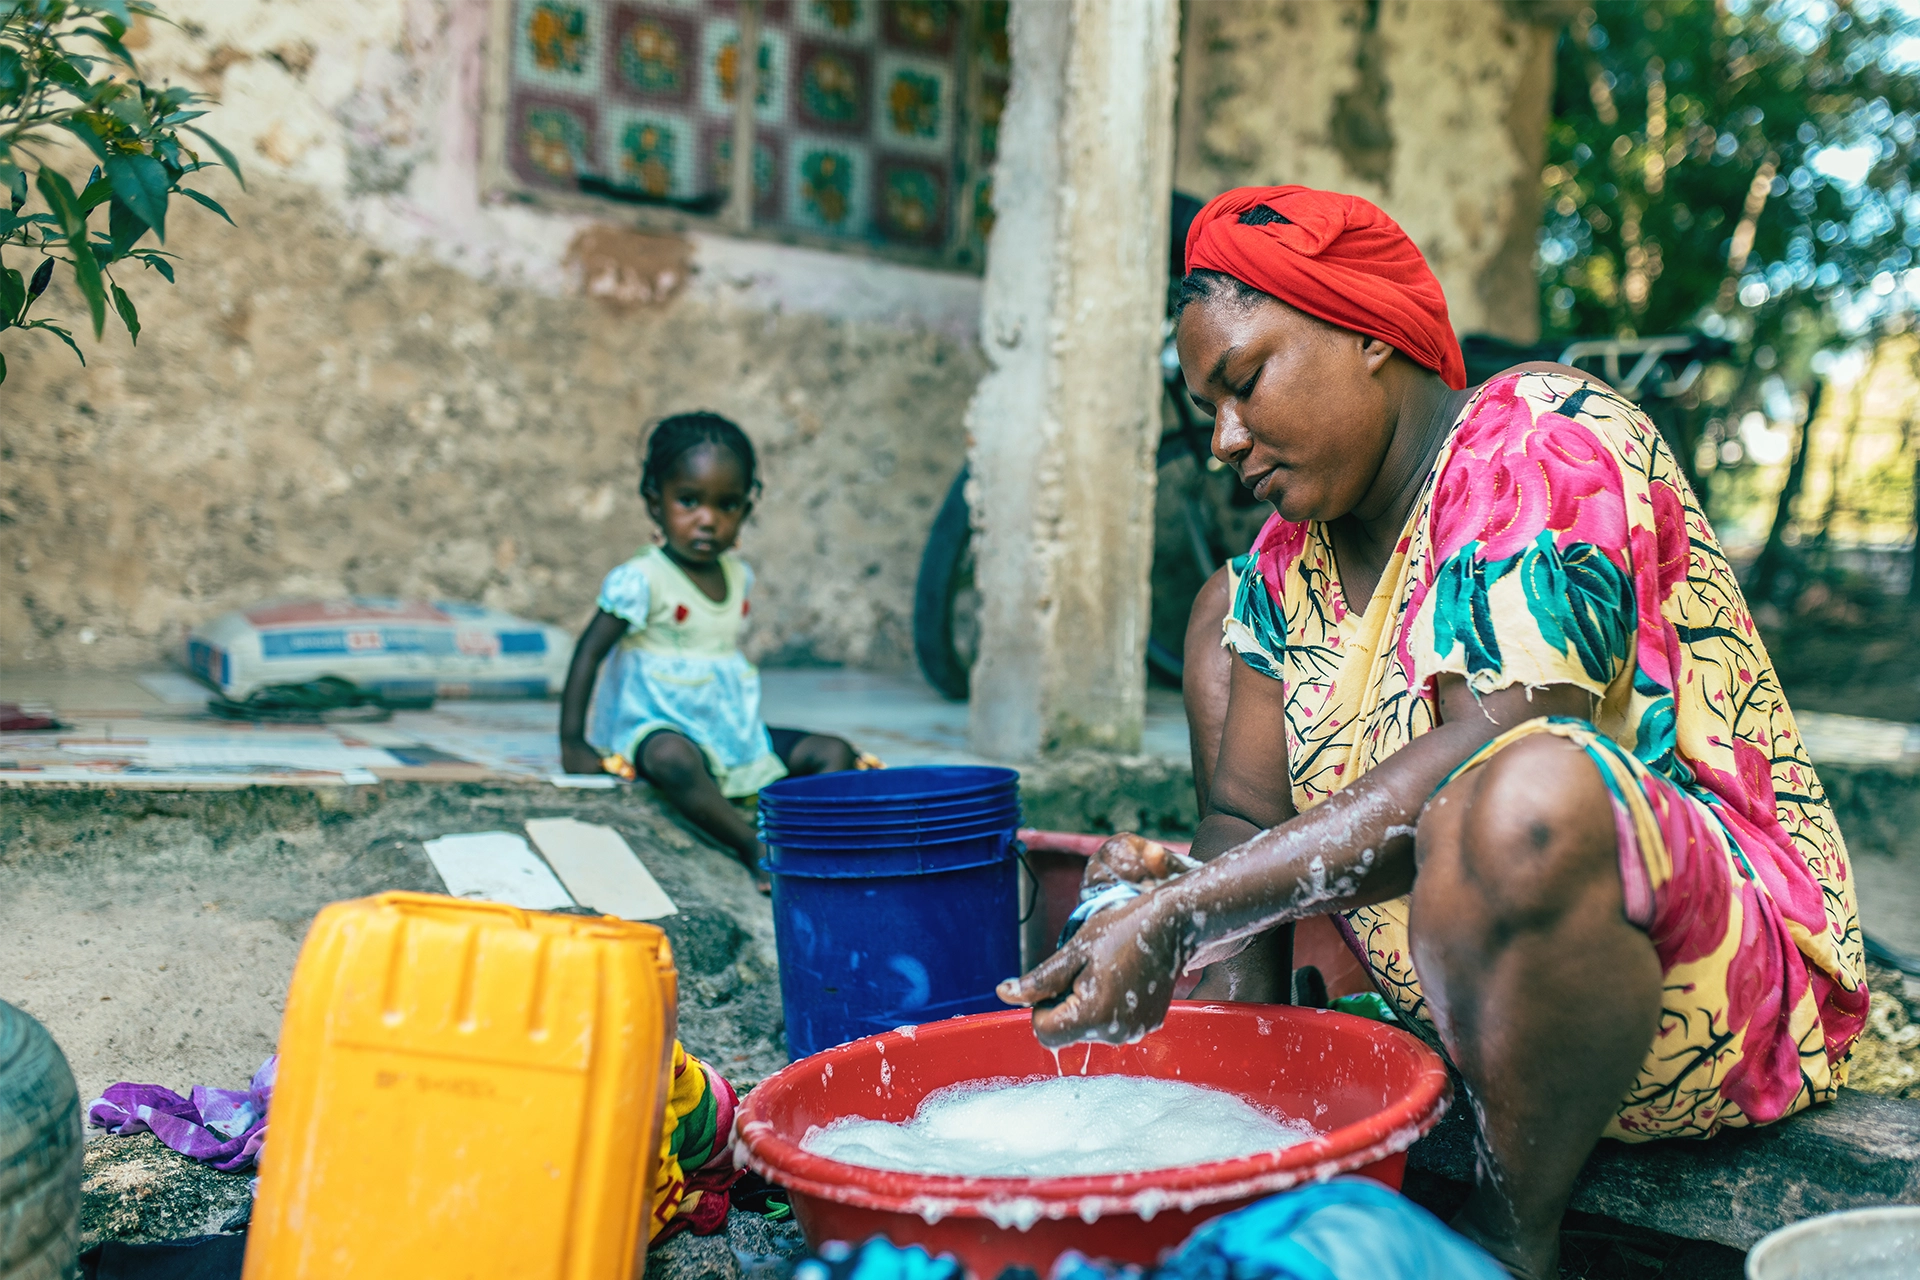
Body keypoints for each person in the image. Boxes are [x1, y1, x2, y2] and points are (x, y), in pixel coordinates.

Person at [999, 186, 1867, 1279]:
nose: (1223, 439)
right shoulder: (1280, 570)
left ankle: (1512, 1237)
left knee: (1521, 796)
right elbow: (1243, 821)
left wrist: (1182, 910)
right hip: (1472, 1004)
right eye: (1206, 405)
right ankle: (1271, 1127)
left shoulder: (1541, 435)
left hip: (1710, 988)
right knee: (1220, 619)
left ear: (1366, 331)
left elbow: (1503, 749)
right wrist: (1159, 902)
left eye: (1246, 379)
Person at [559, 411, 858, 890]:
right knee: (674, 761)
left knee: (833, 753)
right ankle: (749, 844)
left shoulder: (738, 576)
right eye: (690, 501)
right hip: (656, 727)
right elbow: (589, 653)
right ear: (655, 503)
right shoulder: (643, 580)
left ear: (745, 510)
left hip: (726, 731)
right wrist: (572, 742)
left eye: (727, 505)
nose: (708, 520)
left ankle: (797, 838)